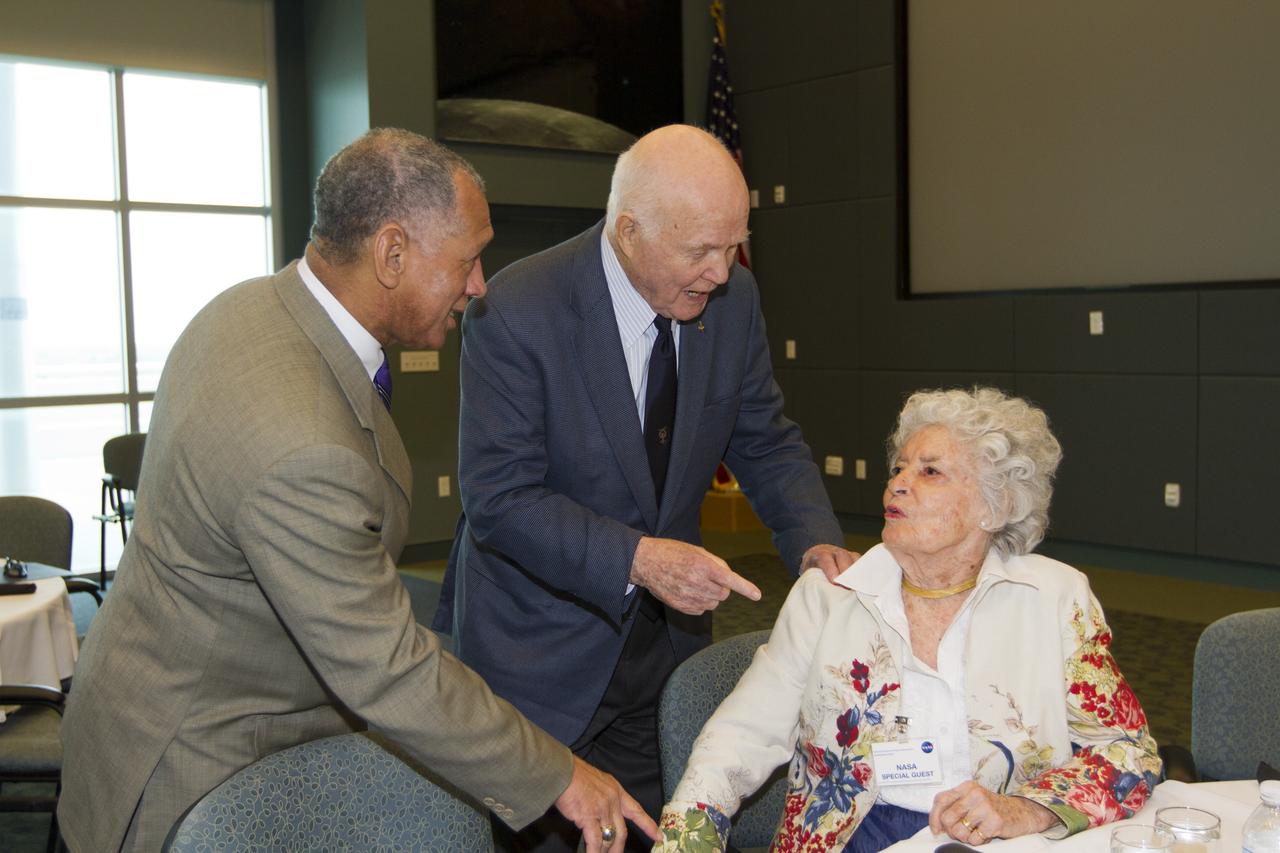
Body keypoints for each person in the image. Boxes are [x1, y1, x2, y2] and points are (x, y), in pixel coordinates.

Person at [57, 129, 656, 853]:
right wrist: (563, 775)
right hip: (194, 764)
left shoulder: (252, 309)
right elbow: (387, 667)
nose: (478, 286)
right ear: (392, 252)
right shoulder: (300, 443)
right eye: (466, 260)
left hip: (172, 689)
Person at [433, 124, 857, 852]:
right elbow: (500, 500)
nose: (721, 273)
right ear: (628, 231)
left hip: (662, 656)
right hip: (539, 657)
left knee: (652, 836)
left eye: (733, 246)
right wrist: (638, 558)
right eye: (700, 250)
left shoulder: (733, 300)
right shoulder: (516, 310)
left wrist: (816, 541)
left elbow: (763, 436)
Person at [655, 387, 1163, 851]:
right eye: (898, 469)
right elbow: (741, 733)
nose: (897, 484)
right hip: (852, 837)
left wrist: (1024, 809)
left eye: (929, 471)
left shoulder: (1053, 597)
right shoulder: (829, 597)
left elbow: (1127, 753)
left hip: (999, 840)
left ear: (995, 505)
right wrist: (687, 836)